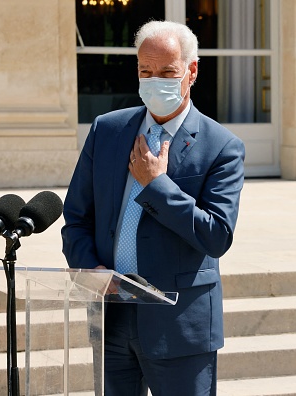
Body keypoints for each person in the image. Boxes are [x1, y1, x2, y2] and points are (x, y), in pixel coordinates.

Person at [61, 20, 245, 396]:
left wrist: (157, 185)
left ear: (191, 72)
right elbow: (77, 219)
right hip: (111, 314)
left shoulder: (222, 146)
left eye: (167, 72)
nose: (154, 81)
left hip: (179, 326)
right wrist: (92, 270)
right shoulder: (107, 130)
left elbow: (216, 236)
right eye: (146, 71)